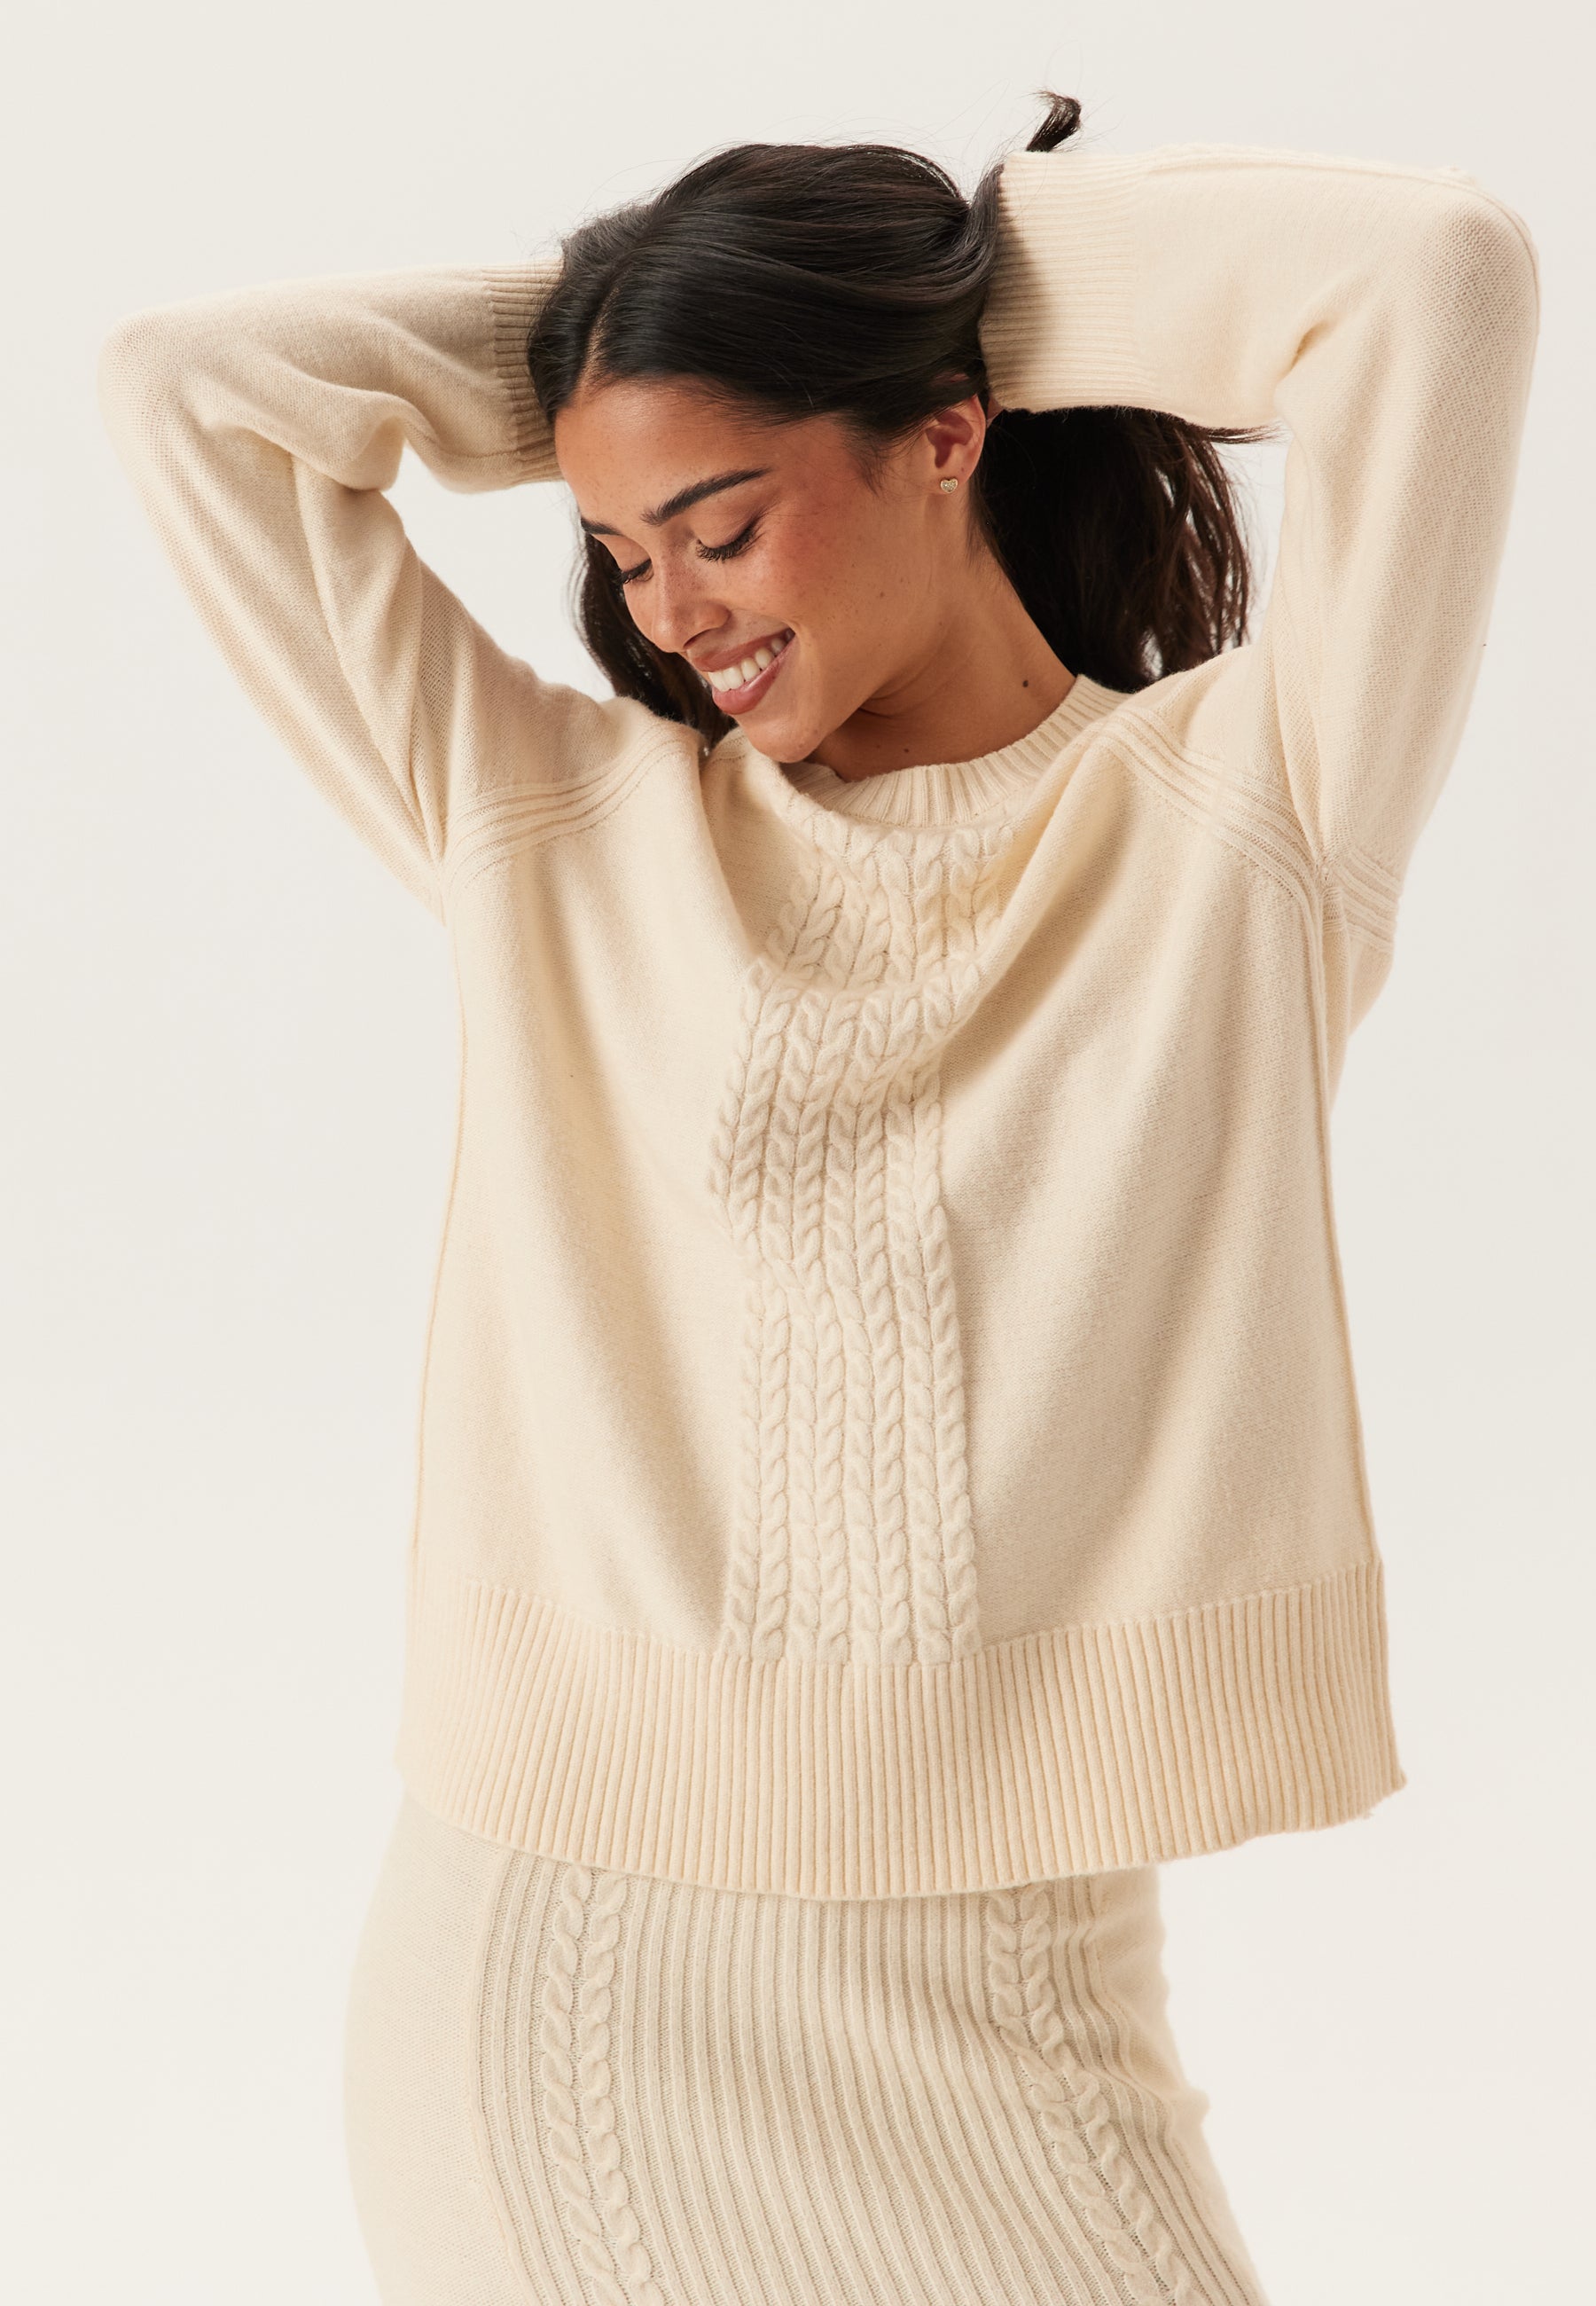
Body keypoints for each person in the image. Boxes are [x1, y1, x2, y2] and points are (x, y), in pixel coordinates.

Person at [97, 90, 1539, 2306]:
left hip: (1020, 1989)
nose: (669, 611)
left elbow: (1438, 283)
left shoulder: (1238, 820)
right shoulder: (560, 829)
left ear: (949, 439)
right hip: (564, 1978)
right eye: (617, 552)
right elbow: (189, 390)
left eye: (722, 522)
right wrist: (631, 338)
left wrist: (957, 284)